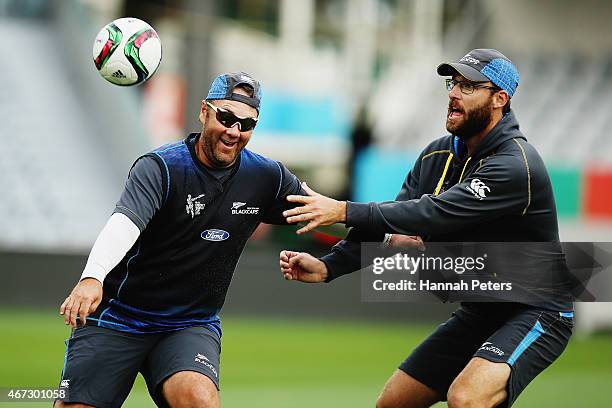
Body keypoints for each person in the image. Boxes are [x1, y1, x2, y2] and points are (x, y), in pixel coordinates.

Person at [279, 49, 574, 408]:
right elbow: (395, 222)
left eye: (468, 86)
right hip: (482, 309)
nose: (453, 92)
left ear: (500, 99)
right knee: (393, 403)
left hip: (538, 309)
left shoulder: (516, 166)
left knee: (466, 398)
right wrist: (330, 266)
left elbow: (432, 213)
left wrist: (342, 210)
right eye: (453, 83)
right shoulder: (437, 154)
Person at [55, 72, 304, 408]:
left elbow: (323, 211)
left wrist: (388, 232)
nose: (234, 131)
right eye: (226, 117)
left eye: (246, 124)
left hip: (188, 325)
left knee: (199, 400)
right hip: (115, 317)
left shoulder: (266, 177)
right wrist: (92, 276)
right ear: (204, 111)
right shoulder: (161, 167)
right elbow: (125, 222)